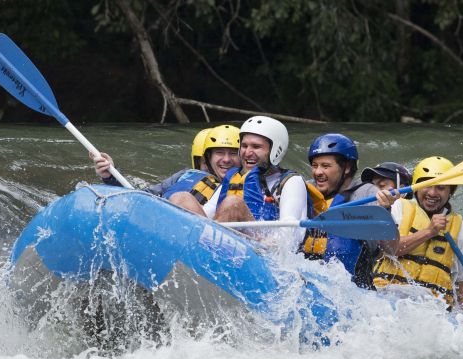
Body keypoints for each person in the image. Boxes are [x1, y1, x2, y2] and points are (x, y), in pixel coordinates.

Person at [370, 156, 463, 309]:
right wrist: (429, 231)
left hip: (433, 311)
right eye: (427, 185)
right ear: (416, 187)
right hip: (387, 299)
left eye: (441, 187)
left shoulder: (461, 228)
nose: (432, 193)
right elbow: (390, 249)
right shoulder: (397, 207)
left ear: (450, 191)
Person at [301, 134, 408, 276]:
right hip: (307, 279)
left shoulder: (367, 193)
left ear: (347, 167)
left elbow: (391, 249)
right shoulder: (305, 189)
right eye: (314, 166)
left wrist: (384, 211)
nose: (318, 172)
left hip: (353, 287)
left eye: (326, 166)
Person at [201, 115, 308, 246]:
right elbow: (204, 216)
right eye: (244, 146)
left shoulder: (291, 182)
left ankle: (208, 249)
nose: (247, 152)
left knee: (233, 203)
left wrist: (261, 242)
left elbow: (288, 236)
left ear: (275, 150)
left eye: (256, 147)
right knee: (182, 198)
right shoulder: (236, 177)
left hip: (266, 252)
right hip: (234, 245)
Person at [92, 125, 240, 207]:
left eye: (233, 154)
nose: (225, 160)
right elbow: (142, 195)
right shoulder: (185, 175)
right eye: (219, 153)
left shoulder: (246, 184)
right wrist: (111, 175)